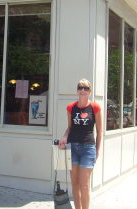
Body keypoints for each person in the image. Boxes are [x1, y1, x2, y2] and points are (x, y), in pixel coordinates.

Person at [59, 79, 102, 209]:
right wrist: (64, 137)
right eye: (80, 87)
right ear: (77, 90)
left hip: (88, 148)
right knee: (75, 183)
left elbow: (99, 131)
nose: (82, 90)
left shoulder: (95, 107)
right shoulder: (71, 107)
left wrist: (97, 150)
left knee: (84, 185)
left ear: (90, 91)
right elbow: (70, 127)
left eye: (86, 88)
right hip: (72, 148)